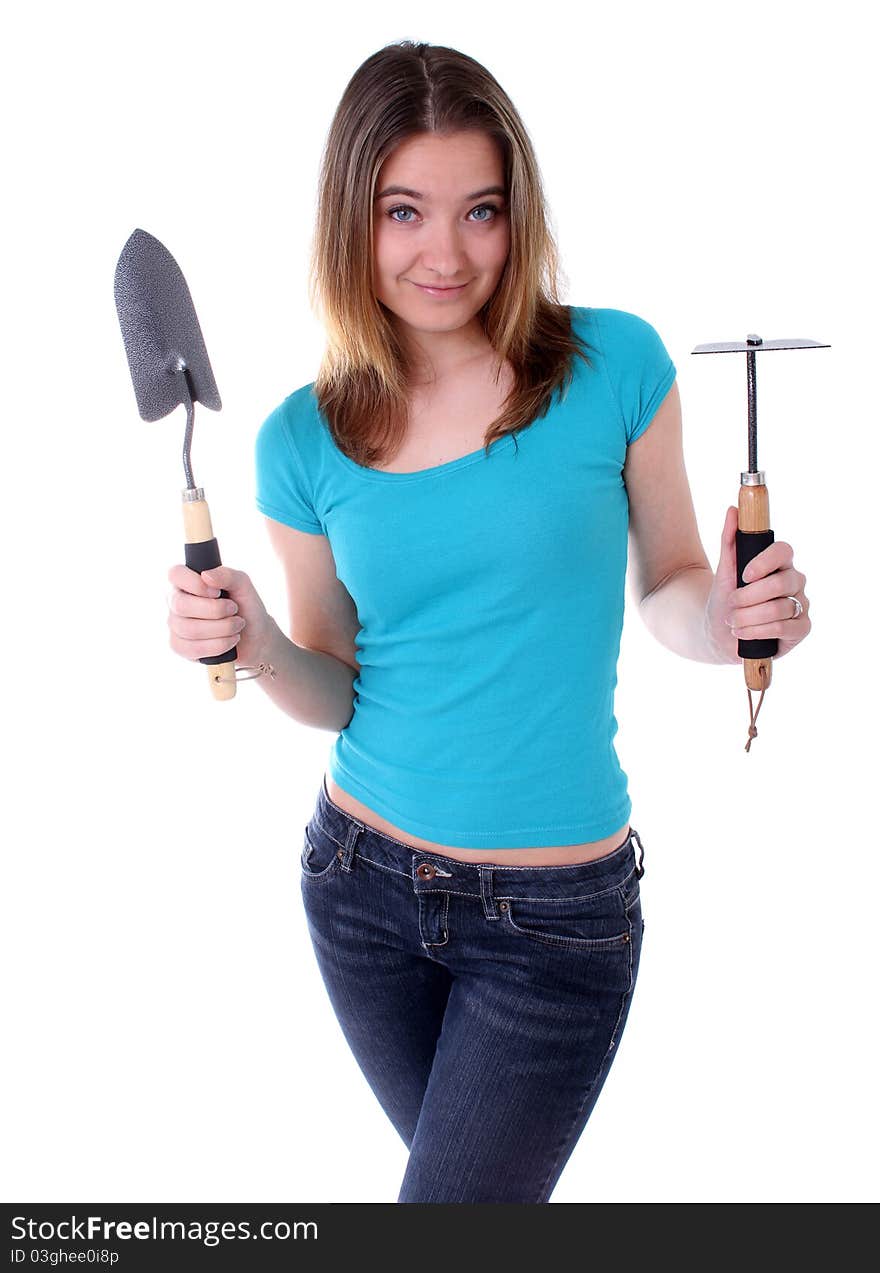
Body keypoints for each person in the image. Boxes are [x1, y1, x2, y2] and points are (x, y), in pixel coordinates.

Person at [166, 41, 812, 1203]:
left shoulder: (614, 363)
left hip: (553, 924)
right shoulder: (299, 440)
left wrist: (720, 621)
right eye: (403, 211)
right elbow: (336, 685)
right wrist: (259, 646)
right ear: (349, 219)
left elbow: (667, 581)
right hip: (359, 888)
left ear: (518, 217)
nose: (445, 253)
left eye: (482, 211)